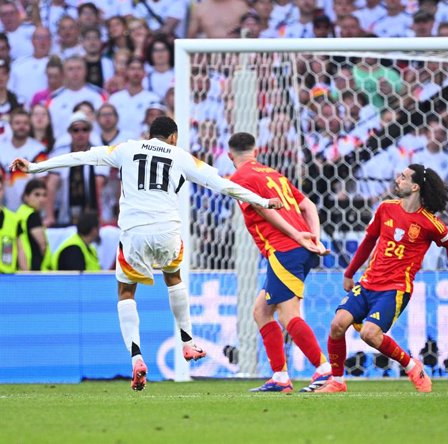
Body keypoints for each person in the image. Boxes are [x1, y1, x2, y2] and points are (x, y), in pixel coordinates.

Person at [11, 116, 283, 391]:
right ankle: (188, 342)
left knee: (126, 292)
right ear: (173, 137)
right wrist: (263, 201)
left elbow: (82, 157)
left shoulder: (127, 149)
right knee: (174, 278)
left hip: (134, 232)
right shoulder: (181, 156)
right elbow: (222, 184)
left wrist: (35, 167)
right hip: (167, 230)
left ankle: (137, 358)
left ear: (149, 134)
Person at [316, 164, 448, 394]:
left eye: (403, 177)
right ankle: (337, 381)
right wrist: (349, 272)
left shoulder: (430, 223)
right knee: (337, 325)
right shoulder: (385, 209)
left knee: (369, 334)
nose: (397, 179)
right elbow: (368, 242)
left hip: (395, 289)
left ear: (415, 187)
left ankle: (412, 366)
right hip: (367, 283)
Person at [227, 131, 332, 393]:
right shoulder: (274, 174)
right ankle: (280, 377)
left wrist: (297, 235)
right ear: (256, 151)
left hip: (285, 249)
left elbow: (262, 209)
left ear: (230, 156)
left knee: (288, 315)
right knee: (261, 312)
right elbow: (309, 206)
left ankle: (325, 370)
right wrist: (314, 238)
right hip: (298, 248)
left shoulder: (239, 179)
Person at [16, 179, 51, 271]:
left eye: (44, 195)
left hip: (20, 266)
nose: (41, 199)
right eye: (37, 194)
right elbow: (42, 244)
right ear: (26, 196)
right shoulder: (33, 216)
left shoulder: (20, 212)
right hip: (32, 268)